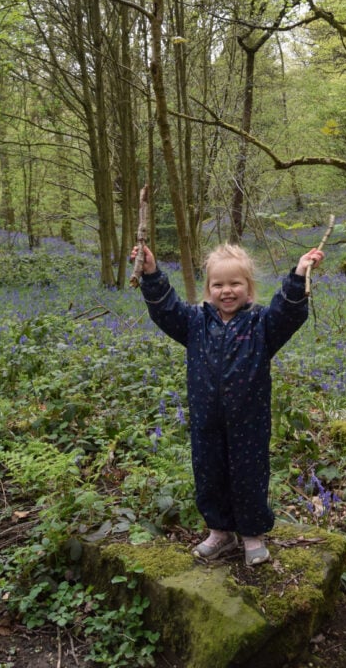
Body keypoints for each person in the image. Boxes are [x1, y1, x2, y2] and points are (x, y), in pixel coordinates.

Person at [132, 240, 325, 567]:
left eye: (235, 283)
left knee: (249, 476)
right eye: (218, 284)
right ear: (208, 289)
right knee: (209, 475)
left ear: (249, 289)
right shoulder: (195, 323)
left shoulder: (262, 325)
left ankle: (252, 535)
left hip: (249, 422)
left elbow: (288, 313)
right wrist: (150, 273)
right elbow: (166, 309)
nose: (226, 291)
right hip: (207, 421)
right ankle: (220, 532)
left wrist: (298, 274)